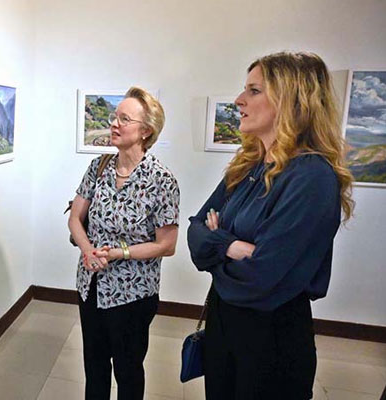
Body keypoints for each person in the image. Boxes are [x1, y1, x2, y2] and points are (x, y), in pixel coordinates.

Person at [187, 52, 354, 399]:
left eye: (254, 90)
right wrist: (230, 246)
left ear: (293, 100)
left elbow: (261, 277)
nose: (239, 100)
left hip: (270, 338)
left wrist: (215, 242)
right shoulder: (247, 165)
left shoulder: (311, 177)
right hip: (224, 324)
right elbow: (194, 233)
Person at [68, 86, 180, 399]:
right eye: (115, 117)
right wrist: (88, 250)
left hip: (133, 293)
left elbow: (166, 245)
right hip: (91, 285)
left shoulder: (161, 180)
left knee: (129, 369)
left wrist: (120, 253)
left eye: (124, 119)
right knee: (95, 365)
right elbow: (75, 218)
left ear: (146, 130)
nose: (114, 124)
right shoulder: (99, 167)